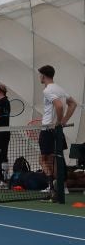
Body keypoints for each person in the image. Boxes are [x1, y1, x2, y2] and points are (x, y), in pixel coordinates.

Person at [38, 65, 78, 199]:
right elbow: (73, 104)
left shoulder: (48, 90)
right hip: (56, 130)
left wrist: (59, 122)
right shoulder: (59, 88)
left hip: (49, 129)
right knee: (57, 158)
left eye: (40, 75)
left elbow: (59, 106)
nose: (40, 77)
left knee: (44, 159)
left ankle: (52, 187)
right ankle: (63, 186)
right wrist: (63, 121)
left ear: (43, 75)